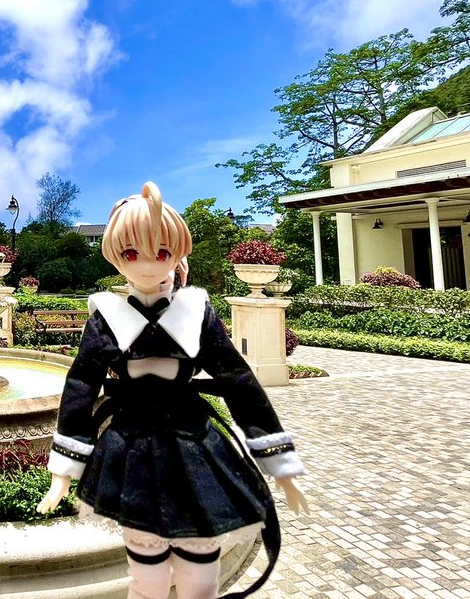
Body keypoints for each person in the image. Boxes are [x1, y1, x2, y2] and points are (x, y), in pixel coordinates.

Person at [36, 182, 307, 599]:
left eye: (161, 252)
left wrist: (280, 464)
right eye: (132, 253)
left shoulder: (195, 311)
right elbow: (81, 386)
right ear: (114, 256)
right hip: (131, 445)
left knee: (200, 567)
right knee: (146, 573)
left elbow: (238, 381)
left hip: (193, 442)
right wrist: (62, 473)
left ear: (177, 254)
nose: (147, 264)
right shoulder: (106, 316)